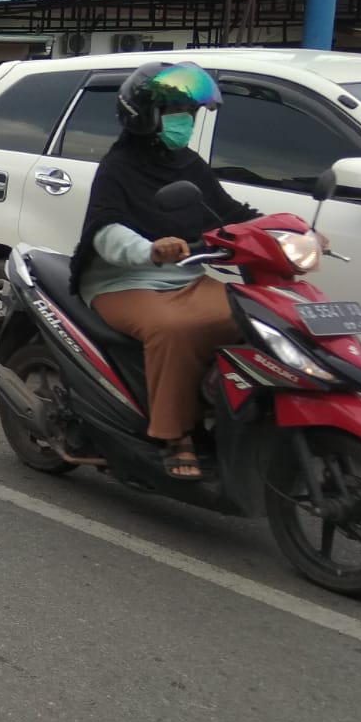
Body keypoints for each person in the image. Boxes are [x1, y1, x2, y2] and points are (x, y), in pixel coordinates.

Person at [71, 62, 261, 481]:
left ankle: (223, 411)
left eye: (190, 112)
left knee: (253, 317)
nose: (186, 121)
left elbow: (229, 214)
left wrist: (286, 231)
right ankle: (173, 434)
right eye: (177, 111)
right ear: (145, 115)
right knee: (173, 329)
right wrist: (150, 250)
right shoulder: (118, 166)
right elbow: (105, 231)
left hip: (186, 277)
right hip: (120, 282)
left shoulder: (189, 164)